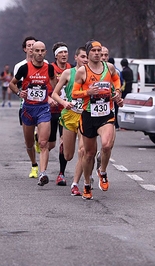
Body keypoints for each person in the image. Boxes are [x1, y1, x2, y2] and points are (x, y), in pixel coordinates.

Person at [72, 40, 123, 199]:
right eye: (93, 50)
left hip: (105, 113)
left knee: (107, 145)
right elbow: (74, 93)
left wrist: (118, 91)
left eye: (99, 50)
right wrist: (88, 91)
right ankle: (86, 184)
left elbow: (115, 80)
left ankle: (103, 171)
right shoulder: (82, 71)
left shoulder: (109, 67)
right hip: (88, 114)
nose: (97, 53)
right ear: (87, 54)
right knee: (89, 154)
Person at [9, 41, 56, 186]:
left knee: (43, 143)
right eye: (37, 50)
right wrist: (19, 92)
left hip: (43, 109)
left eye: (42, 50)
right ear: (32, 52)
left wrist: (52, 96)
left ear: (45, 52)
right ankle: (34, 164)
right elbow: (11, 83)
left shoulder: (49, 68)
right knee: (29, 143)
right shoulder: (24, 68)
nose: (40, 53)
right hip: (28, 109)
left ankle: (43, 173)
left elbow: (55, 84)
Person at [51, 46, 89, 196]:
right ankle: (64, 148)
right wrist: (64, 103)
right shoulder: (68, 73)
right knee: (68, 155)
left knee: (83, 150)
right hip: (69, 115)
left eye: (87, 57)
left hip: (85, 115)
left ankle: (75, 184)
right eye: (83, 57)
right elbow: (54, 94)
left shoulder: (92, 74)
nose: (85, 60)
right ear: (76, 58)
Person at [49, 42, 73, 186]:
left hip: (66, 111)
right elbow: (46, 85)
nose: (64, 55)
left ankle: (61, 174)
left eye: (66, 52)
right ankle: (39, 138)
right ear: (56, 55)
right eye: (61, 53)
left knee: (63, 143)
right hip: (52, 110)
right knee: (50, 143)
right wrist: (49, 99)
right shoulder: (51, 68)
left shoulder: (72, 69)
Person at [108, 57, 124, 130]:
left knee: (115, 109)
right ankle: (116, 125)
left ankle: (115, 125)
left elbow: (119, 81)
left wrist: (117, 91)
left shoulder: (116, 71)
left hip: (114, 94)